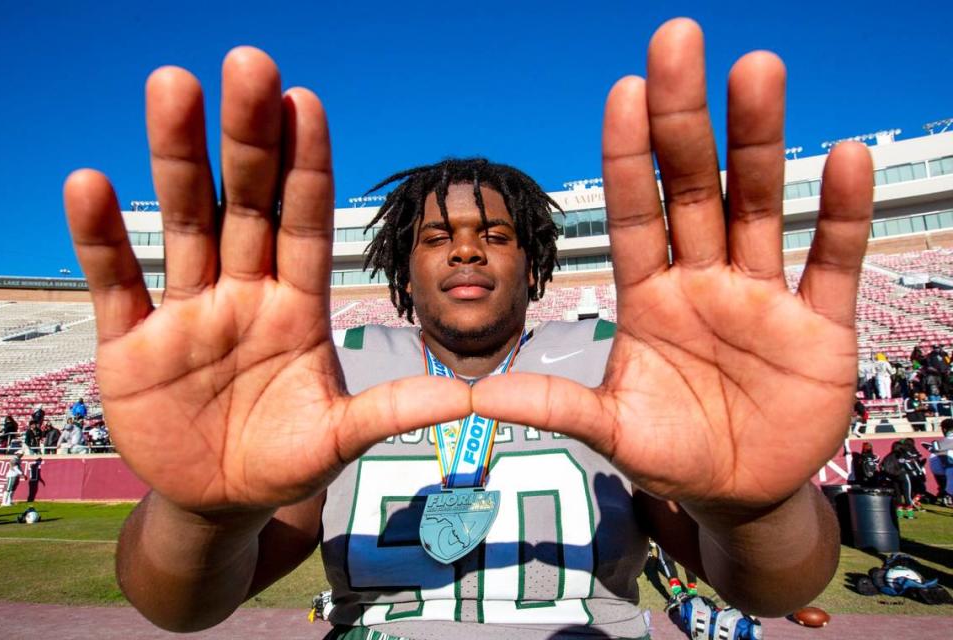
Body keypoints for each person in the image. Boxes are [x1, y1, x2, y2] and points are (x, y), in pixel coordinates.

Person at [63, 19, 873, 637]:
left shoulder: (619, 361)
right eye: (435, 237)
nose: (465, 252)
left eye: (496, 234)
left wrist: (759, 511)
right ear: (399, 267)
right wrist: (199, 514)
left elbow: (772, 585)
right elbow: (180, 605)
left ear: (535, 261)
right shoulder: (327, 369)